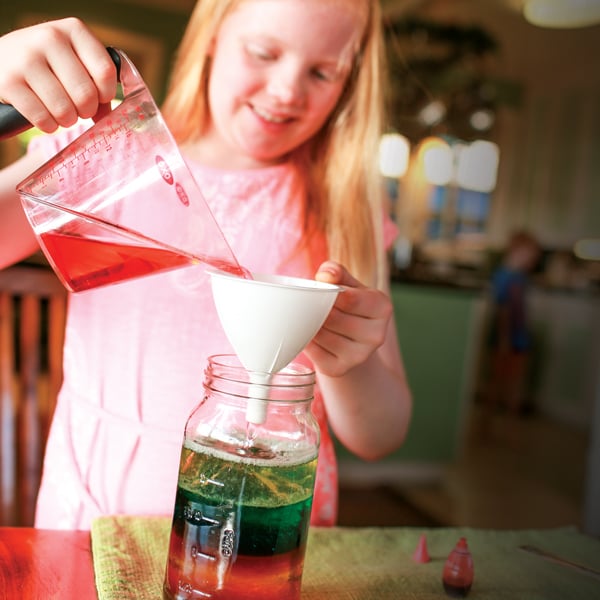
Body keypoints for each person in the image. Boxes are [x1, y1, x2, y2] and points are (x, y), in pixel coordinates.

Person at [0, 0, 412, 530]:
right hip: (87, 518)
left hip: (264, 535)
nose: (288, 90)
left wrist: (349, 362)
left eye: (323, 71)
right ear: (213, 36)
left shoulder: (344, 206)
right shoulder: (105, 153)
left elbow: (379, 435)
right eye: (264, 52)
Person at [482, 230, 541, 429]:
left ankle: (508, 426)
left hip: (519, 337)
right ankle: (492, 426)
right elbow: (503, 311)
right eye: (529, 255)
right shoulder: (504, 277)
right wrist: (504, 339)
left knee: (515, 383)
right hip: (505, 338)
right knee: (498, 383)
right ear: (516, 251)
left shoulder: (521, 277)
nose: (532, 260)